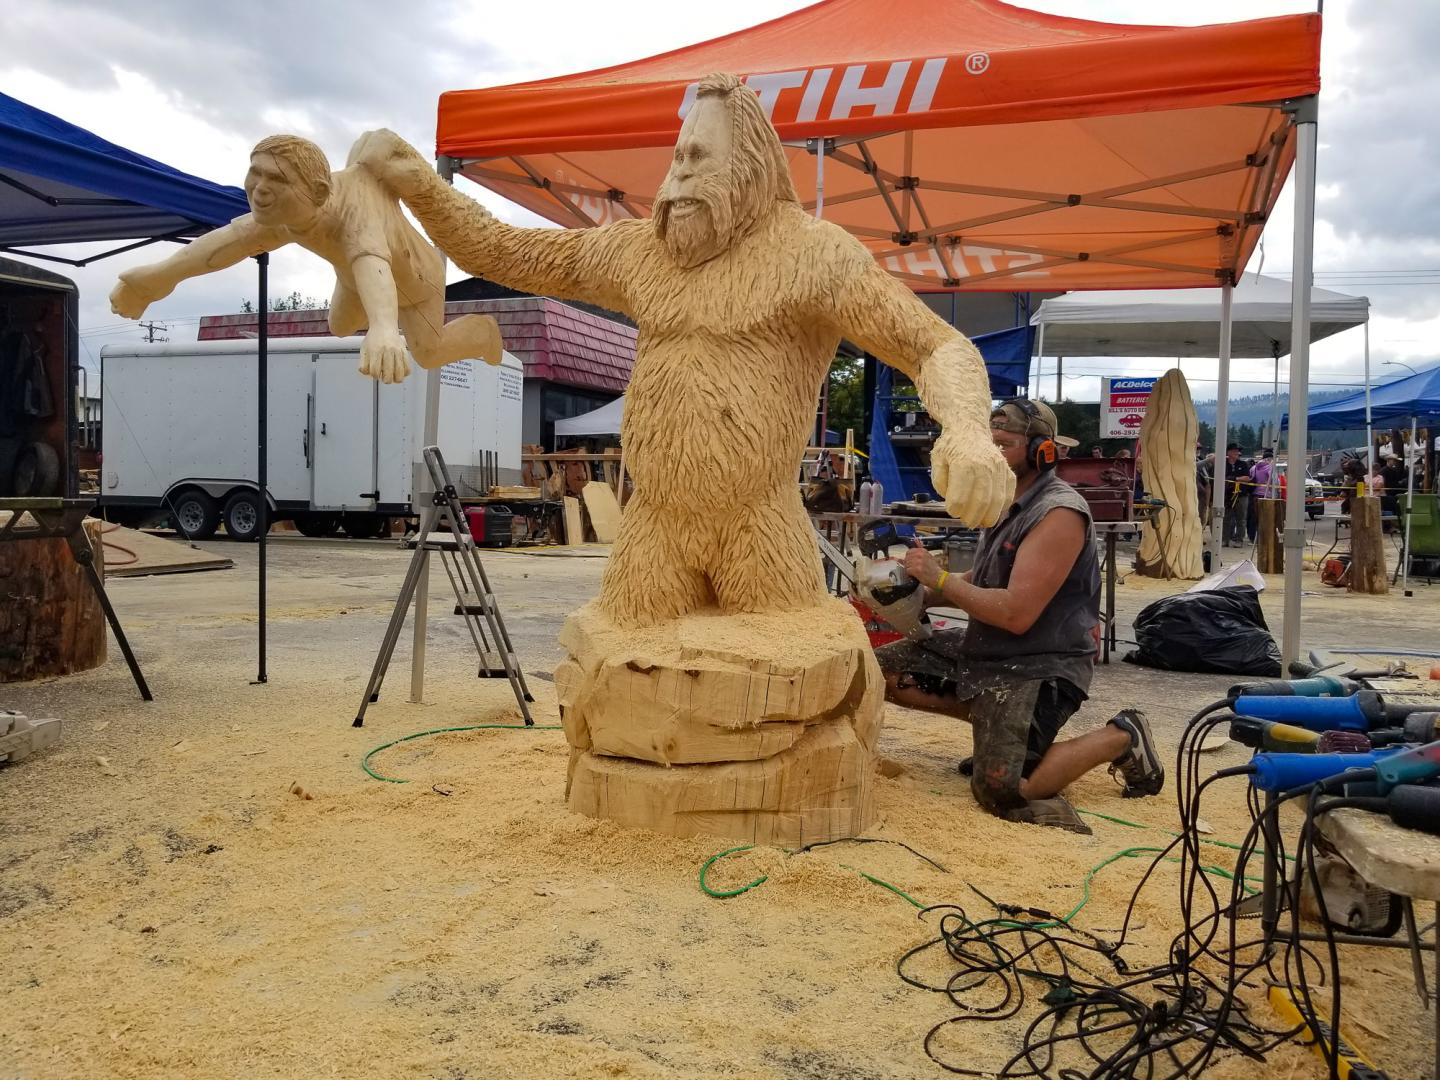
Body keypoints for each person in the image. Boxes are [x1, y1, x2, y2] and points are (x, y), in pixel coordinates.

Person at [875, 399, 1164, 834]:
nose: (993, 454)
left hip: (1040, 665)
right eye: (988, 445)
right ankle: (1001, 728)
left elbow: (1016, 613)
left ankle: (1120, 737)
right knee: (881, 670)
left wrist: (939, 581)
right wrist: (922, 593)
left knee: (1004, 791)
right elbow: (988, 578)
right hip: (991, 650)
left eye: (1005, 444)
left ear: (1041, 451)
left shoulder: (1058, 513)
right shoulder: (1005, 501)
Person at [111, 135, 502, 384]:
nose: (260, 190)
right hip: (357, 277)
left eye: (276, 181)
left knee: (428, 353)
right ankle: (376, 318)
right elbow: (231, 241)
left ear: (315, 191)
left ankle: (482, 333)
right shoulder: (288, 213)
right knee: (340, 324)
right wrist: (159, 278)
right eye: (256, 174)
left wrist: (384, 328)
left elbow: (372, 260)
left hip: (415, 280)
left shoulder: (355, 208)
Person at [1222, 444, 1250, 547]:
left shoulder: (1243, 464)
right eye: (1234, 451)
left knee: (1241, 518)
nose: (1237, 453)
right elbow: (1222, 477)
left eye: (1237, 451)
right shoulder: (1223, 464)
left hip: (1241, 495)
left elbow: (1247, 478)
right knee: (1226, 518)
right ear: (1228, 452)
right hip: (1227, 495)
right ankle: (1225, 539)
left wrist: (1235, 479)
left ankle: (1239, 540)